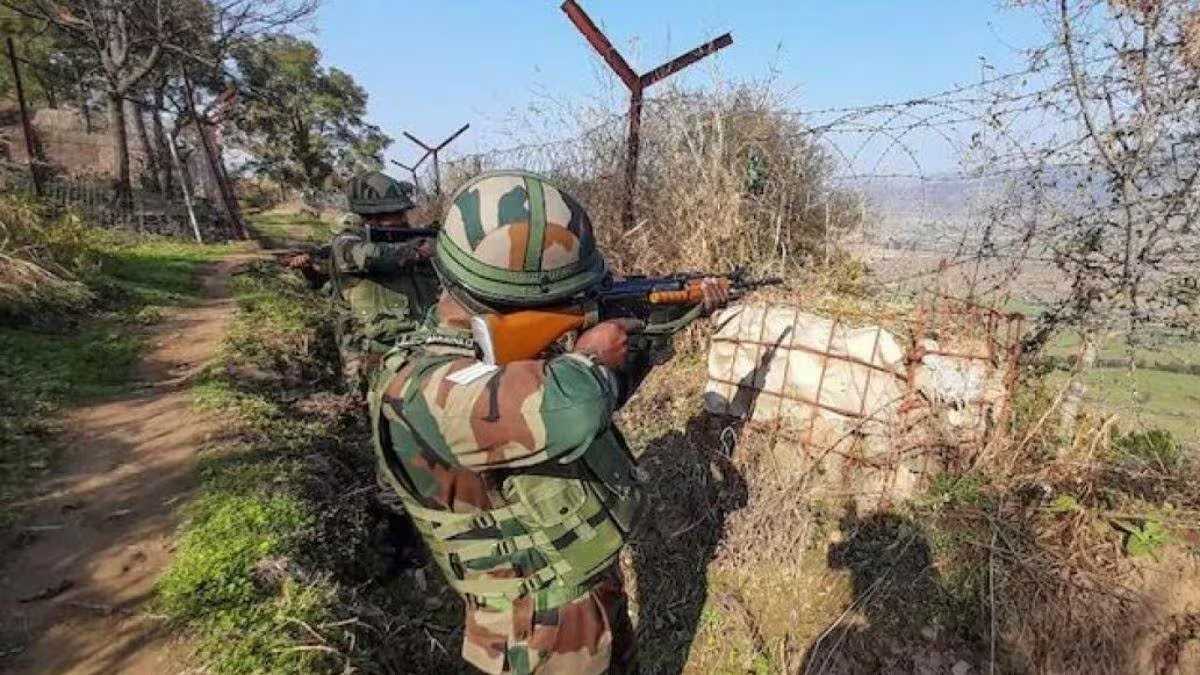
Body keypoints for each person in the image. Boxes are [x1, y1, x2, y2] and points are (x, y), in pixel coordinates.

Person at [367, 170, 729, 674]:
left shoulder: (484, 357)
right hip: (533, 633)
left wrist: (664, 319)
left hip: (581, 589)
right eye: (569, 299)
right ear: (519, 298)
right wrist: (591, 359)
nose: (579, 306)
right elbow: (573, 408)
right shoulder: (422, 385)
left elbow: (602, 396)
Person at [330, 171, 441, 396]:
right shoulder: (346, 243)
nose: (402, 219)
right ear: (371, 217)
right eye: (395, 213)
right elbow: (369, 256)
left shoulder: (407, 237)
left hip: (420, 343)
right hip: (371, 353)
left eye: (402, 212)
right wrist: (416, 251)